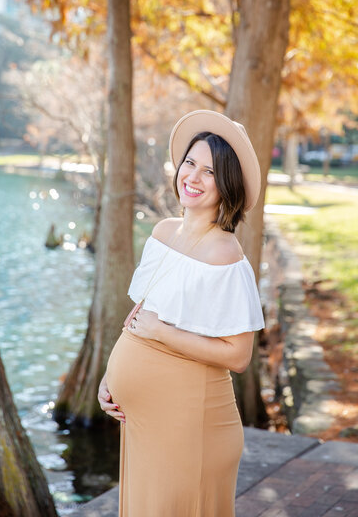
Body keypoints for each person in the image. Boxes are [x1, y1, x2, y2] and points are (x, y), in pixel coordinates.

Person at [98, 109, 265, 517]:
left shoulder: (225, 254)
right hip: (144, 423)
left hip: (190, 426)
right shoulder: (162, 233)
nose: (193, 177)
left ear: (226, 185)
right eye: (190, 163)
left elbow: (238, 356)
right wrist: (109, 377)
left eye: (209, 171)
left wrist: (162, 333)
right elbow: (138, 319)